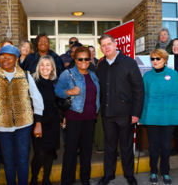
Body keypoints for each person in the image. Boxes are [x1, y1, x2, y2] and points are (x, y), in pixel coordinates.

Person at [0, 45, 44, 185]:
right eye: (2, 56)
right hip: (2, 128)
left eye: (9, 56)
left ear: (16, 59)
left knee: (22, 161)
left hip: (24, 126)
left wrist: (38, 123)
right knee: (8, 162)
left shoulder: (25, 75)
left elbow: (37, 99)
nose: (5, 59)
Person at [97, 34, 144, 185]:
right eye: (103, 45)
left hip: (126, 114)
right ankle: (108, 174)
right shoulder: (101, 65)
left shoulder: (129, 62)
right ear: (101, 48)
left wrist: (136, 113)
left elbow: (139, 89)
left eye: (108, 44)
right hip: (107, 114)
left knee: (126, 146)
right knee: (109, 147)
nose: (106, 47)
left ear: (115, 44)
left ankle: (129, 174)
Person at [55, 47, 100, 185]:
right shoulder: (67, 74)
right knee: (71, 150)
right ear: (75, 60)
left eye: (86, 59)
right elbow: (57, 90)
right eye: (80, 59)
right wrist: (69, 91)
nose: (83, 61)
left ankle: (85, 179)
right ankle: (67, 181)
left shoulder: (93, 75)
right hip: (74, 117)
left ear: (90, 59)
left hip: (90, 118)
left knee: (87, 151)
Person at [139, 49, 178, 185]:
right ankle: (154, 171)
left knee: (166, 146)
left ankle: (165, 172)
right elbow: (144, 97)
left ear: (165, 60)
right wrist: (142, 116)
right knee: (153, 146)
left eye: (158, 58)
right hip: (152, 116)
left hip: (168, 116)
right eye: (152, 59)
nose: (155, 61)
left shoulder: (174, 75)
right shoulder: (147, 76)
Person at [30, 55, 60, 185]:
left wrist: (62, 116)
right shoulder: (32, 81)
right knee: (39, 154)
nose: (45, 67)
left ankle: (46, 179)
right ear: (38, 67)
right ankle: (34, 178)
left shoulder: (56, 82)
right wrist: (37, 122)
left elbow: (59, 101)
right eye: (42, 65)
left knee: (49, 152)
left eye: (48, 65)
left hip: (52, 122)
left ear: (52, 68)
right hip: (38, 122)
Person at [170, 38, 178, 156]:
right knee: (175, 125)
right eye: (174, 45)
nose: (175, 47)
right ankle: (176, 147)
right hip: (172, 98)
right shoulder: (170, 60)